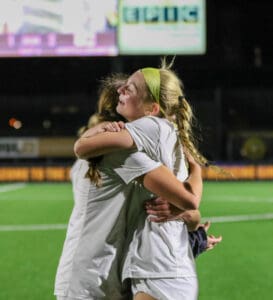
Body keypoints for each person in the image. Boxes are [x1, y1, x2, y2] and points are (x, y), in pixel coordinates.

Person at [55, 72, 221, 300]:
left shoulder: (117, 150)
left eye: (129, 89)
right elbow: (187, 200)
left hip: (105, 274)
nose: (123, 91)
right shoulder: (125, 154)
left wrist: (191, 229)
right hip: (94, 279)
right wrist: (193, 177)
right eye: (123, 91)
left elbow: (177, 212)